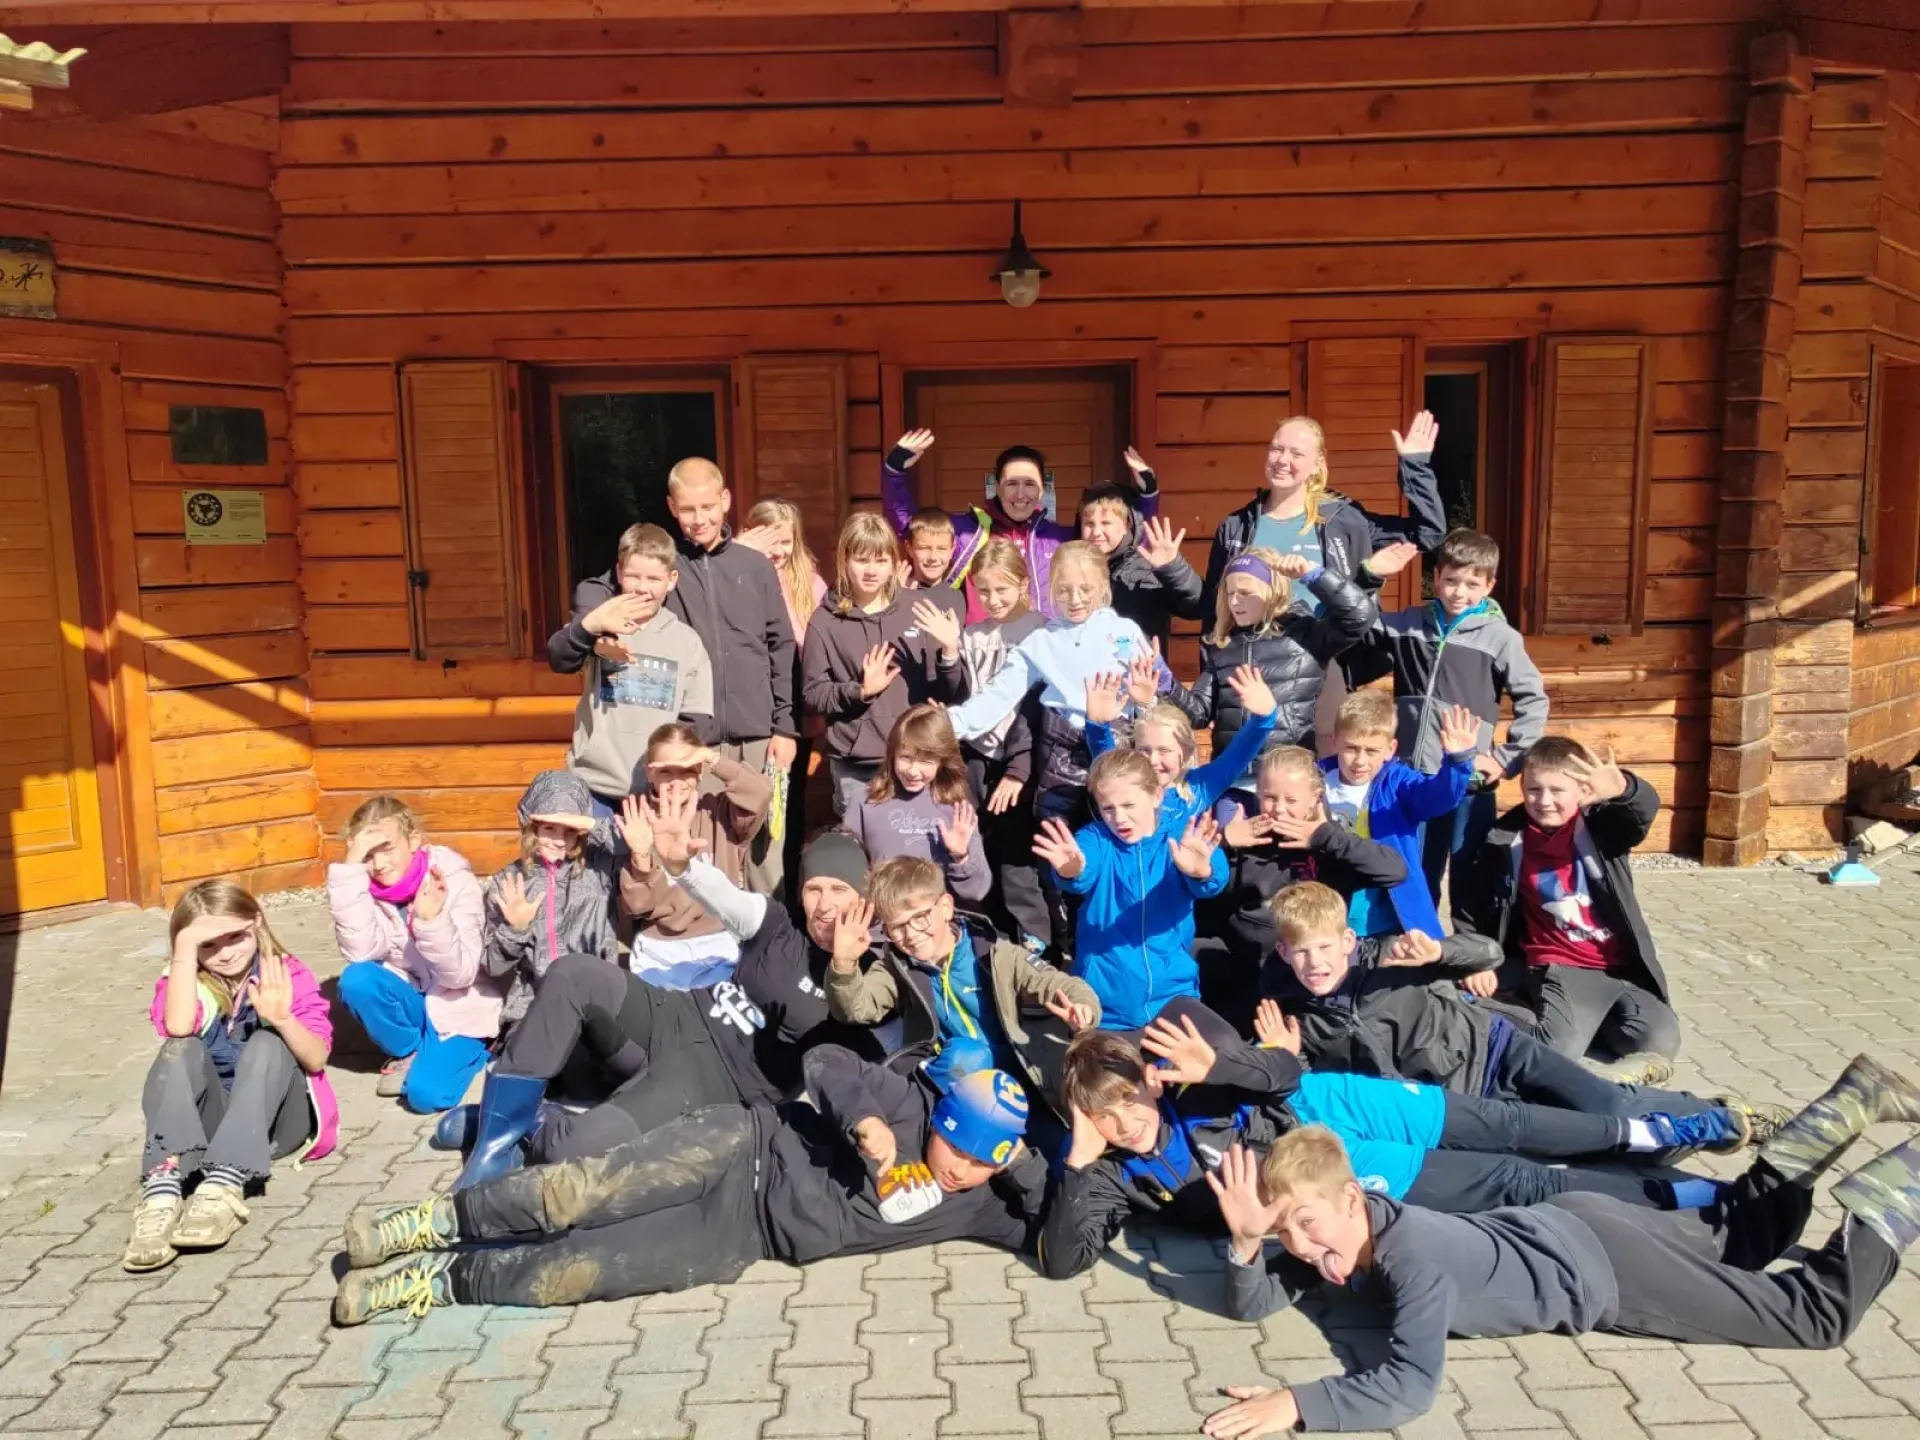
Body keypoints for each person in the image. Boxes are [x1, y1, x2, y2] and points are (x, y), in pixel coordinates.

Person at [1201, 1052, 1920, 1437]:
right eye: (1286, 1232)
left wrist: (1297, 1402)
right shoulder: (1353, 1235)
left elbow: (1408, 1387)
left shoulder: (1410, 1259)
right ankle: (1850, 1103)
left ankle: (1908, 1176)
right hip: (1579, 1222)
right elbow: (1255, 1301)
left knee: (1817, 1317)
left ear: (1352, 1197)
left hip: (1604, 1269)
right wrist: (1246, 1240)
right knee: (1748, 1233)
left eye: (1307, 1224)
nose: (1301, 1245)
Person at [1038, 1003, 1742, 1282]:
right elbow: (1065, 1261)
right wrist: (1076, 1161)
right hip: (1327, 1169)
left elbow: (1285, 1072)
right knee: (1517, 1179)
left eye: (1126, 1102)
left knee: (1502, 1122)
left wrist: (1221, 1065)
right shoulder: (1115, 1175)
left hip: (1326, 1104)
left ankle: (1650, 1130)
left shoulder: (1190, 1078)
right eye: (1103, 1119)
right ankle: (1690, 1196)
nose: (1123, 1124)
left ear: (1147, 1082)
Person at [332, 1056, 1044, 1323]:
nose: (960, 1168)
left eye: (983, 1162)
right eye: (956, 1147)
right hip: (741, 1148)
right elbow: (826, 1061)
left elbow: (1062, 1247)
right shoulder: (905, 1102)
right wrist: (865, 1122)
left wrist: (1048, 1165)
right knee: (573, 1197)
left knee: (569, 1274)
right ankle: (431, 1223)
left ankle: (437, 1282)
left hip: (738, 1237)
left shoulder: (982, 1203)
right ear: (942, 1119)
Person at [439, 823, 886, 1188]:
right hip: (673, 1017)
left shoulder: (873, 985)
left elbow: (861, 1064)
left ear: (863, 898)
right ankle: (494, 1146)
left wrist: (846, 965)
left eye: (839, 890)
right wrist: (682, 866)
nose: (824, 905)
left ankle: (520, 1118)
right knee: (574, 973)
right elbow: (726, 897)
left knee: (568, 1151)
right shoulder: (779, 926)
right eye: (813, 889)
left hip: (711, 1085)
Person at [1262, 882, 1784, 1134]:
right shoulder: (1296, 1017)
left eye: (1325, 947)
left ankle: (1722, 1112)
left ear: (1348, 940)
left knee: (1606, 1106)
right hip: (1461, 1103)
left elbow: (1488, 953)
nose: (1315, 962)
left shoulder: (1393, 956)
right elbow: (1314, 1090)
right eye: (1302, 952)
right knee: (1585, 1131)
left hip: (1498, 1051)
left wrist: (1440, 952)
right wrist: (1286, 1058)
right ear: (1284, 953)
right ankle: (1655, 1103)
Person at [551, 458, 796, 890]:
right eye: (688, 509)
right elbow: (600, 586)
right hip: (696, 741)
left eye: (708, 507)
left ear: (726, 500)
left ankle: (765, 932)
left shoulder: (754, 565)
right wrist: (594, 623)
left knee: (763, 853)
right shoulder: (667, 563)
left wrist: (785, 727)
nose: (699, 519)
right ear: (671, 507)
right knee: (705, 849)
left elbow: (781, 645)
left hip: (758, 733)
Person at [945, 541, 1170, 951]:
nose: (1075, 599)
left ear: (1102, 586)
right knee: (1061, 854)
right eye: (1064, 590)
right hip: (1062, 755)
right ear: (1051, 591)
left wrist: (1149, 694)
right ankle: (1066, 945)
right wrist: (952, 722)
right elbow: (999, 694)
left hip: (1115, 749)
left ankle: (1123, 938)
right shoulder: (1042, 641)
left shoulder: (1123, 632)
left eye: (1085, 589)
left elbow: (1159, 687)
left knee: (1119, 841)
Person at [126, 880, 338, 1272]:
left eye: (235, 937)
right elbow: (178, 1026)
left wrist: (282, 1019)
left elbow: (316, 1059)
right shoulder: (184, 979)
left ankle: (224, 1186)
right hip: (212, 1128)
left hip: (277, 1123)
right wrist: (184, 948)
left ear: (256, 923)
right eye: (208, 945)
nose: (225, 953)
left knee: (267, 1042)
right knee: (179, 1048)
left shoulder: (287, 973)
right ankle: (161, 1191)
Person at [1454, 736, 1679, 1080]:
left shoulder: (1601, 829)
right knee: (1557, 1051)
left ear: (1582, 790)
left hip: (1621, 969)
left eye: (1557, 790)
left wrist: (1624, 789)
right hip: (1563, 963)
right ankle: (1469, 1006)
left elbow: (1639, 812)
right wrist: (1474, 961)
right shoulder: (1505, 840)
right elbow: (1472, 906)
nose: (1544, 801)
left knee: (1657, 1041)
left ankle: (1566, 1014)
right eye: (1533, 789)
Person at [1361, 529, 1549, 911]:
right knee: (1414, 871)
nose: (1459, 592)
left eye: (1471, 584)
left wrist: (1505, 758)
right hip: (1414, 779)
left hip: (1469, 780)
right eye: (1450, 580)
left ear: (1489, 585)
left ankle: (1472, 943)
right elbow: (1359, 621)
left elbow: (1534, 699)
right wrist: (1371, 576)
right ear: (1436, 578)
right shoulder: (1409, 623)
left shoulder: (1502, 638)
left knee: (1470, 872)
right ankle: (1416, 935)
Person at [826, 854, 1099, 1094]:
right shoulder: (896, 968)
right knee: (966, 1057)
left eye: (920, 917)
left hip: (1017, 1076)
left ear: (945, 907)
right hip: (955, 1084)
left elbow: (1058, 983)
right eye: (896, 927)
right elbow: (856, 1009)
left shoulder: (994, 954)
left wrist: (1083, 1008)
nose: (910, 935)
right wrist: (844, 964)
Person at [1031, 749, 1228, 1033]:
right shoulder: (1096, 838)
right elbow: (1082, 869)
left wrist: (1202, 872)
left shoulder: (1178, 837)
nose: (1119, 818)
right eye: (1108, 808)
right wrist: (1072, 870)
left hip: (1173, 993)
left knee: (1222, 1046)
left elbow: (1213, 877)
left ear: (1156, 796)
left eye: (1129, 805)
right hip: (1106, 999)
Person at [882, 428, 1159, 622]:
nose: (1020, 494)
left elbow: (1124, 539)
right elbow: (911, 527)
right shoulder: (970, 532)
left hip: (1048, 648)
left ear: (1042, 489)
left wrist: (1148, 494)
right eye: (1012, 484)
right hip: (986, 650)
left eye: (1029, 484)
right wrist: (895, 470)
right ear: (997, 486)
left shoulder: (1059, 539)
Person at [330, 797, 499, 1113]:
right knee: (357, 979)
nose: (378, 864)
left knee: (426, 1097)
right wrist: (349, 874)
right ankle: (412, 1049)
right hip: (416, 998)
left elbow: (461, 976)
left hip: (459, 1005)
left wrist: (430, 921)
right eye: (367, 854)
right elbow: (360, 952)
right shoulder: (364, 885)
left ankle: (476, 1048)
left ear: (413, 841)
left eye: (387, 849)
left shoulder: (454, 880)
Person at [1168, 548, 1375, 802]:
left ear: (1272, 591)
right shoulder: (1223, 646)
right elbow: (1199, 713)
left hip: (1289, 781)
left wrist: (1313, 574)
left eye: (1245, 593)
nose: (1235, 602)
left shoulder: (1305, 635)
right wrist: (1164, 682)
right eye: (1230, 593)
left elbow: (1360, 615)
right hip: (1233, 783)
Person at [1212, 747, 1409, 1010]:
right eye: (1269, 797)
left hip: (1315, 977)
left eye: (1291, 800)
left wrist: (1326, 837)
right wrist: (1224, 843)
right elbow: (1200, 896)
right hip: (1251, 974)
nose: (1279, 809)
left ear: (1315, 798)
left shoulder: (1330, 846)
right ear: (1257, 793)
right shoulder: (1246, 840)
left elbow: (1395, 871)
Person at [802, 511, 969, 819]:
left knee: (921, 848)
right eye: (861, 560)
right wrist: (860, 691)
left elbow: (953, 693)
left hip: (919, 762)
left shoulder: (917, 608)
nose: (871, 571)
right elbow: (812, 694)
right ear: (844, 560)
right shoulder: (825, 621)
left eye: (880, 560)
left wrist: (949, 650)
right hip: (859, 767)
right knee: (864, 849)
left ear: (894, 562)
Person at [1200, 411, 1446, 619]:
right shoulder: (1236, 527)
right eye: (1276, 449)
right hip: (1254, 656)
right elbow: (1215, 608)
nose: (1282, 460)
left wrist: (1415, 466)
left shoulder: (1344, 520)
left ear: (1317, 464)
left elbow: (1427, 533)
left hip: (1328, 657)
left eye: (1296, 454)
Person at [544, 522, 714, 816]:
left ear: (671, 580)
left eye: (653, 578)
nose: (642, 588)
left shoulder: (687, 641)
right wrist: (590, 626)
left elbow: (696, 720)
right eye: (633, 576)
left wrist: (670, 774)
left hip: (655, 794)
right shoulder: (601, 625)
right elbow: (559, 658)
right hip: (594, 787)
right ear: (619, 573)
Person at [617, 723, 772, 989]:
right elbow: (637, 905)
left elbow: (760, 793)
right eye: (666, 771)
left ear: (699, 771)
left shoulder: (721, 812)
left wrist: (712, 758)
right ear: (650, 773)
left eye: (687, 769)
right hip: (659, 949)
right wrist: (641, 858)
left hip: (720, 942)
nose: (676, 781)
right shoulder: (638, 818)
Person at [1318, 690, 1477, 939]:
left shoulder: (1397, 783)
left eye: (1372, 751)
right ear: (1334, 740)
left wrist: (1457, 762)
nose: (1360, 761)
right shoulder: (1314, 780)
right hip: (1326, 916)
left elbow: (1437, 798)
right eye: (1351, 748)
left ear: (1390, 749)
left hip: (1387, 920)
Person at [482, 770, 623, 1034]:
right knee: (525, 1056)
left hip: (595, 1002)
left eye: (569, 831)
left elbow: (636, 845)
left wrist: (591, 824)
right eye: (549, 828)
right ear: (531, 827)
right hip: (533, 1005)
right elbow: (493, 965)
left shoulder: (598, 870)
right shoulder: (509, 882)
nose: (559, 841)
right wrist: (515, 930)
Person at [958, 540, 1049, 946]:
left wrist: (1019, 767)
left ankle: (1036, 944)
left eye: (1002, 589)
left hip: (1020, 761)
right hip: (977, 757)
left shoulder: (1040, 631)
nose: (993, 600)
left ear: (1024, 583)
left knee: (1017, 860)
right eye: (984, 591)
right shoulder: (971, 635)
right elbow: (962, 695)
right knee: (982, 849)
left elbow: (1038, 710)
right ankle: (991, 941)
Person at [746, 495, 827, 890]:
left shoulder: (809, 582)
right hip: (751, 712)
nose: (779, 551)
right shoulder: (739, 576)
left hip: (794, 713)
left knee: (788, 805)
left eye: (786, 541)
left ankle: (786, 895)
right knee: (751, 805)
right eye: (770, 541)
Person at [847, 706, 989, 905]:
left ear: (942, 761)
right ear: (893, 754)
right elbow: (849, 874)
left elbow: (977, 891)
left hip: (934, 919)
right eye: (906, 757)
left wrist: (960, 856)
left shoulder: (956, 809)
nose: (913, 771)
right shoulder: (865, 802)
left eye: (926, 761)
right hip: (883, 917)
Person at [1079, 485, 1204, 652]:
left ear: (1126, 524)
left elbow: (1198, 608)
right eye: (1089, 523)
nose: (1096, 532)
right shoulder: (1075, 567)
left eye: (1106, 523)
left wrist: (1173, 568)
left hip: (1144, 666)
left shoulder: (1147, 566)